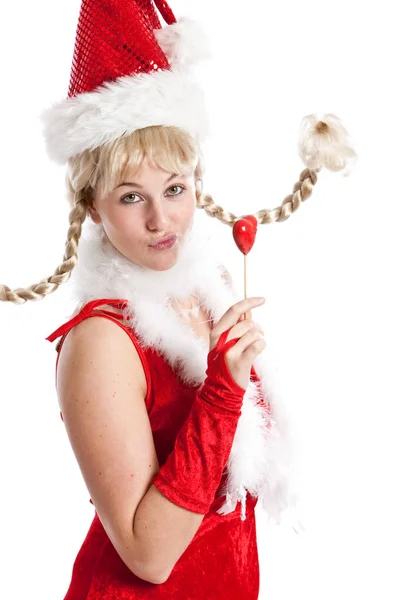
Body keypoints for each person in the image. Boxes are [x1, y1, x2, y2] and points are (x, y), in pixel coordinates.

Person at [0, 1, 355, 597]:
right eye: (131, 197)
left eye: (174, 188)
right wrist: (221, 390)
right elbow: (149, 556)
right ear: (93, 206)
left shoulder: (206, 287)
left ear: (196, 181)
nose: (162, 220)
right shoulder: (100, 343)